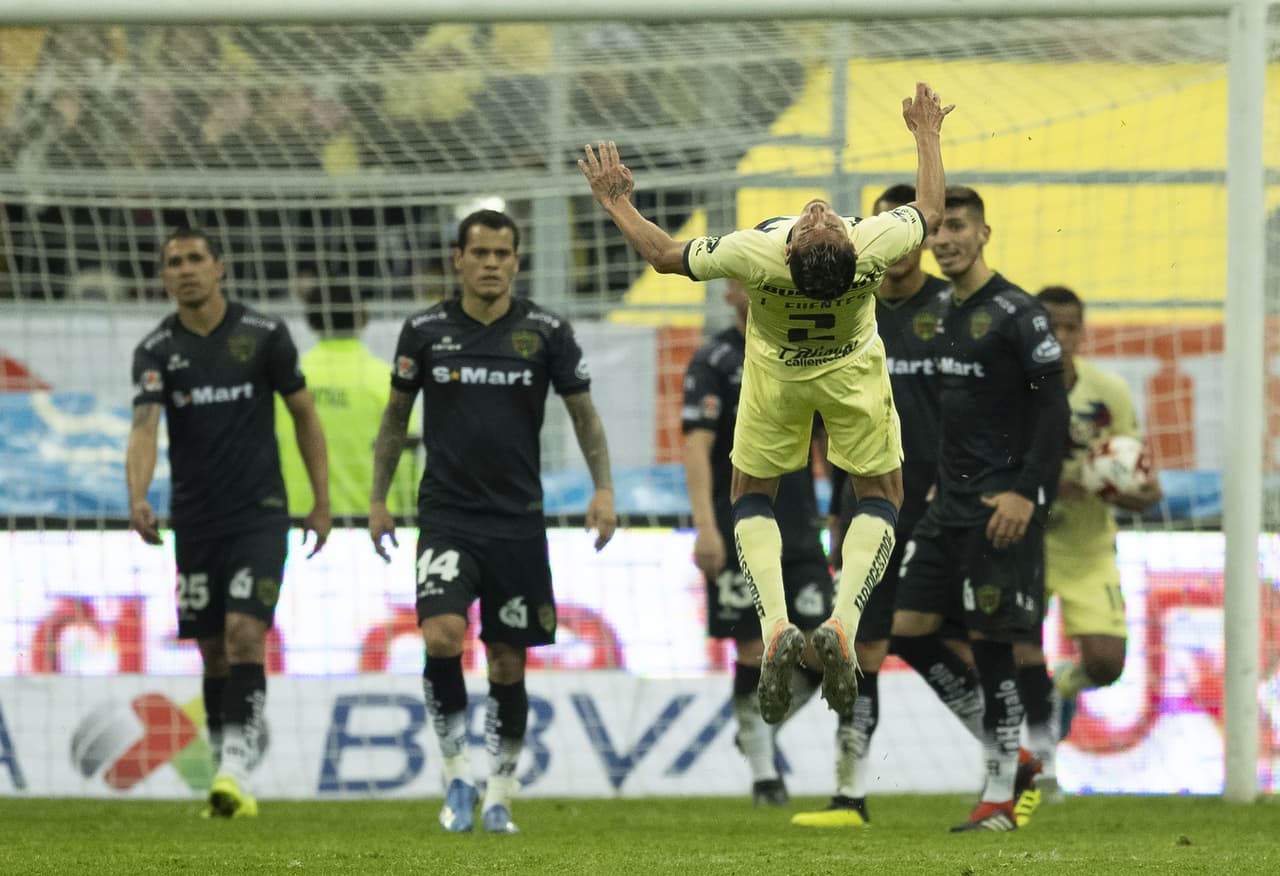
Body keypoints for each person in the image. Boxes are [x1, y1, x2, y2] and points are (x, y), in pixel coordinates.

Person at [581, 81, 953, 726]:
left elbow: (664, 255)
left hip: (777, 374)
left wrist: (617, 203)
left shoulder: (756, 252)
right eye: (821, 223)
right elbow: (931, 209)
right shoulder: (873, 244)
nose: (817, 213)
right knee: (882, 494)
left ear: (788, 253)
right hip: (851, 372)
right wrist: (926, 136)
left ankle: (777, 621)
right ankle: (843, 621)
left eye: (819, 224)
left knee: (751, 490)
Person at [367, 209, 616, 834]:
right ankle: (456, 774)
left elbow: (584, 416)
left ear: (515, 260)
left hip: (518, 522)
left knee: (508, 661)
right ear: (458, 259)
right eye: (480, 253)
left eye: (503, 254)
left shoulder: (546, 331)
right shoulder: (423, 331)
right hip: (447, 516)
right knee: (442, 636)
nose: (491, 264)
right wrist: (377, 500)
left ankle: (501, 790)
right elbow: (396, 420)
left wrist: (604, 489)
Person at [126, 226, 331, 818]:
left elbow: (305, 418)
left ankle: (238, 765)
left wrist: (319, 503)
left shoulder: (265, 335)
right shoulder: (156, 349)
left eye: (196, 259)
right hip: (194, 520)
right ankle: (225, 772)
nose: (186, 269)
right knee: (213, 650)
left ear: (221, 269)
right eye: (174, 262)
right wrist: (137, 495)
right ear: (163, 277)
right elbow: (144, 428)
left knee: (246, 634)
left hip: (260, 516)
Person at [888, 186, 1070, 832]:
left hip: (1002, 506)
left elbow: (1054, 412)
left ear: (985, 233)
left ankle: (1000, 792)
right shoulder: (945, 312)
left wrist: (1027, 492)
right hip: (950, 503)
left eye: (957, 228)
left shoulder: (1019, 313)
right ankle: (1012, 755)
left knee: (995, 646)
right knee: (908, 628)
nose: (943, 241)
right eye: (936, 231)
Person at [792, 183, 969, 828]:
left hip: (946, 502)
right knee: (861, 647)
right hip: (868, 502)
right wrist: (834, 501)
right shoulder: (844, 302)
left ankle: (1021, 764)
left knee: (964, 639)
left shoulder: (954, 310)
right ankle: (850, 793)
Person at [683, 279, 834, 807]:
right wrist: (705, 526)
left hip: (800, 528)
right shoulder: (716, 360)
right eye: (748, 283)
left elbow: (832, 441)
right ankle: (766, 778)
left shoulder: (808, 350)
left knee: (825, 651)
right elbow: (697, 450)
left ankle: (757, 731)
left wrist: (839, 513)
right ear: (730, 292)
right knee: (755, 649)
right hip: (740, 529)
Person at [1012, 285, 1163, 800]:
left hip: (1089, 547)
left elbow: (1145, 479)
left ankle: (1062, 692)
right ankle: (1040, 768)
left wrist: (1129, 490)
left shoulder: (1109, 393)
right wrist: (1055, 486)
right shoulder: (1011, 391)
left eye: (1069, 327)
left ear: (1081, 332)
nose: (1059, 337)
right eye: (1048, 326)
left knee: (1106, 663)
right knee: (1020, 652)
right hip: (1025, 544)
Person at [275, 285, 418, 520]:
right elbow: (406, 460)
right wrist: (408, 512)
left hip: (298, 518)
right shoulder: (385, 381)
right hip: (372, 522)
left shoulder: (288, 382)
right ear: (364, 317)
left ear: (310, 321)